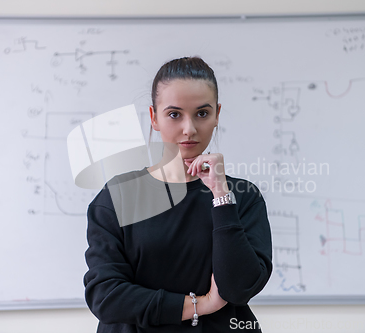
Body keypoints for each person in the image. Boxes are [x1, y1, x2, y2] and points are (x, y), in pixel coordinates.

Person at [84, 56, 273, 332]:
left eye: (202, 113)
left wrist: (221, 194)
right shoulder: (118, 196)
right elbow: (106, 297)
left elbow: (239, 288)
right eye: (174, 114)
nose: (189, 129)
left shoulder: (243, 197)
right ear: (154, 118)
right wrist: (202, 305)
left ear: (217, 114)